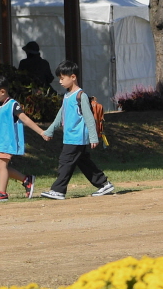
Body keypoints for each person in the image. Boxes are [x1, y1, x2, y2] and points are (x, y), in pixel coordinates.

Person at [39, 60, 115, 199]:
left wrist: (93, 137)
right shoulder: (67, 96)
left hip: (77, 137)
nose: (60, 82)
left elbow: (89, 118)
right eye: (59, 79)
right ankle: (104, 184)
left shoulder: (81, 96)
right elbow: (60, 117)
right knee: (83, 162)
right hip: (70, 137)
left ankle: (58, 190)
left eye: (62, 78)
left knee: (65, 161)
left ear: (73, 77)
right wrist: (50, 130)